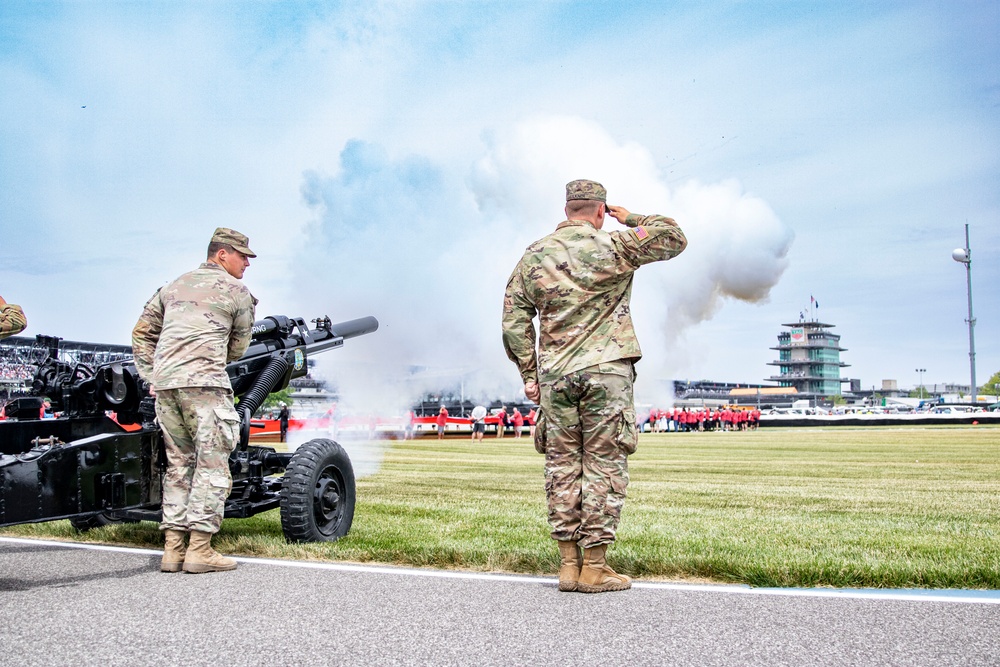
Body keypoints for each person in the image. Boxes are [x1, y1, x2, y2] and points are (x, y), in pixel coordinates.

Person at [502, 179, 686, 593]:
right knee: (603, 464)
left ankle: (568, 565)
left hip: (556, 376)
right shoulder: (617, 244)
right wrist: (632, 217)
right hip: (606, 372)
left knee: (562, 465)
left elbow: (513, 321)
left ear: (567, 210)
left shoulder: (534, 255)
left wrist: (530, 376)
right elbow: (674, 236)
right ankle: (596, 567)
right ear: (600, 211)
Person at [132, 227, 257, 574]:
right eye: (242, 255)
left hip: (167, 388)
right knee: (212, 466)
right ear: (221, 254)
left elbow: (142, 333)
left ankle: (173, 551)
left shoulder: (171, 286)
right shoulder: (237, 291)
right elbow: (238, 348)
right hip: (205, 387)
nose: (247, 262)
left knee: (178, 466)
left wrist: (151, 375)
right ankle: (200, 549)